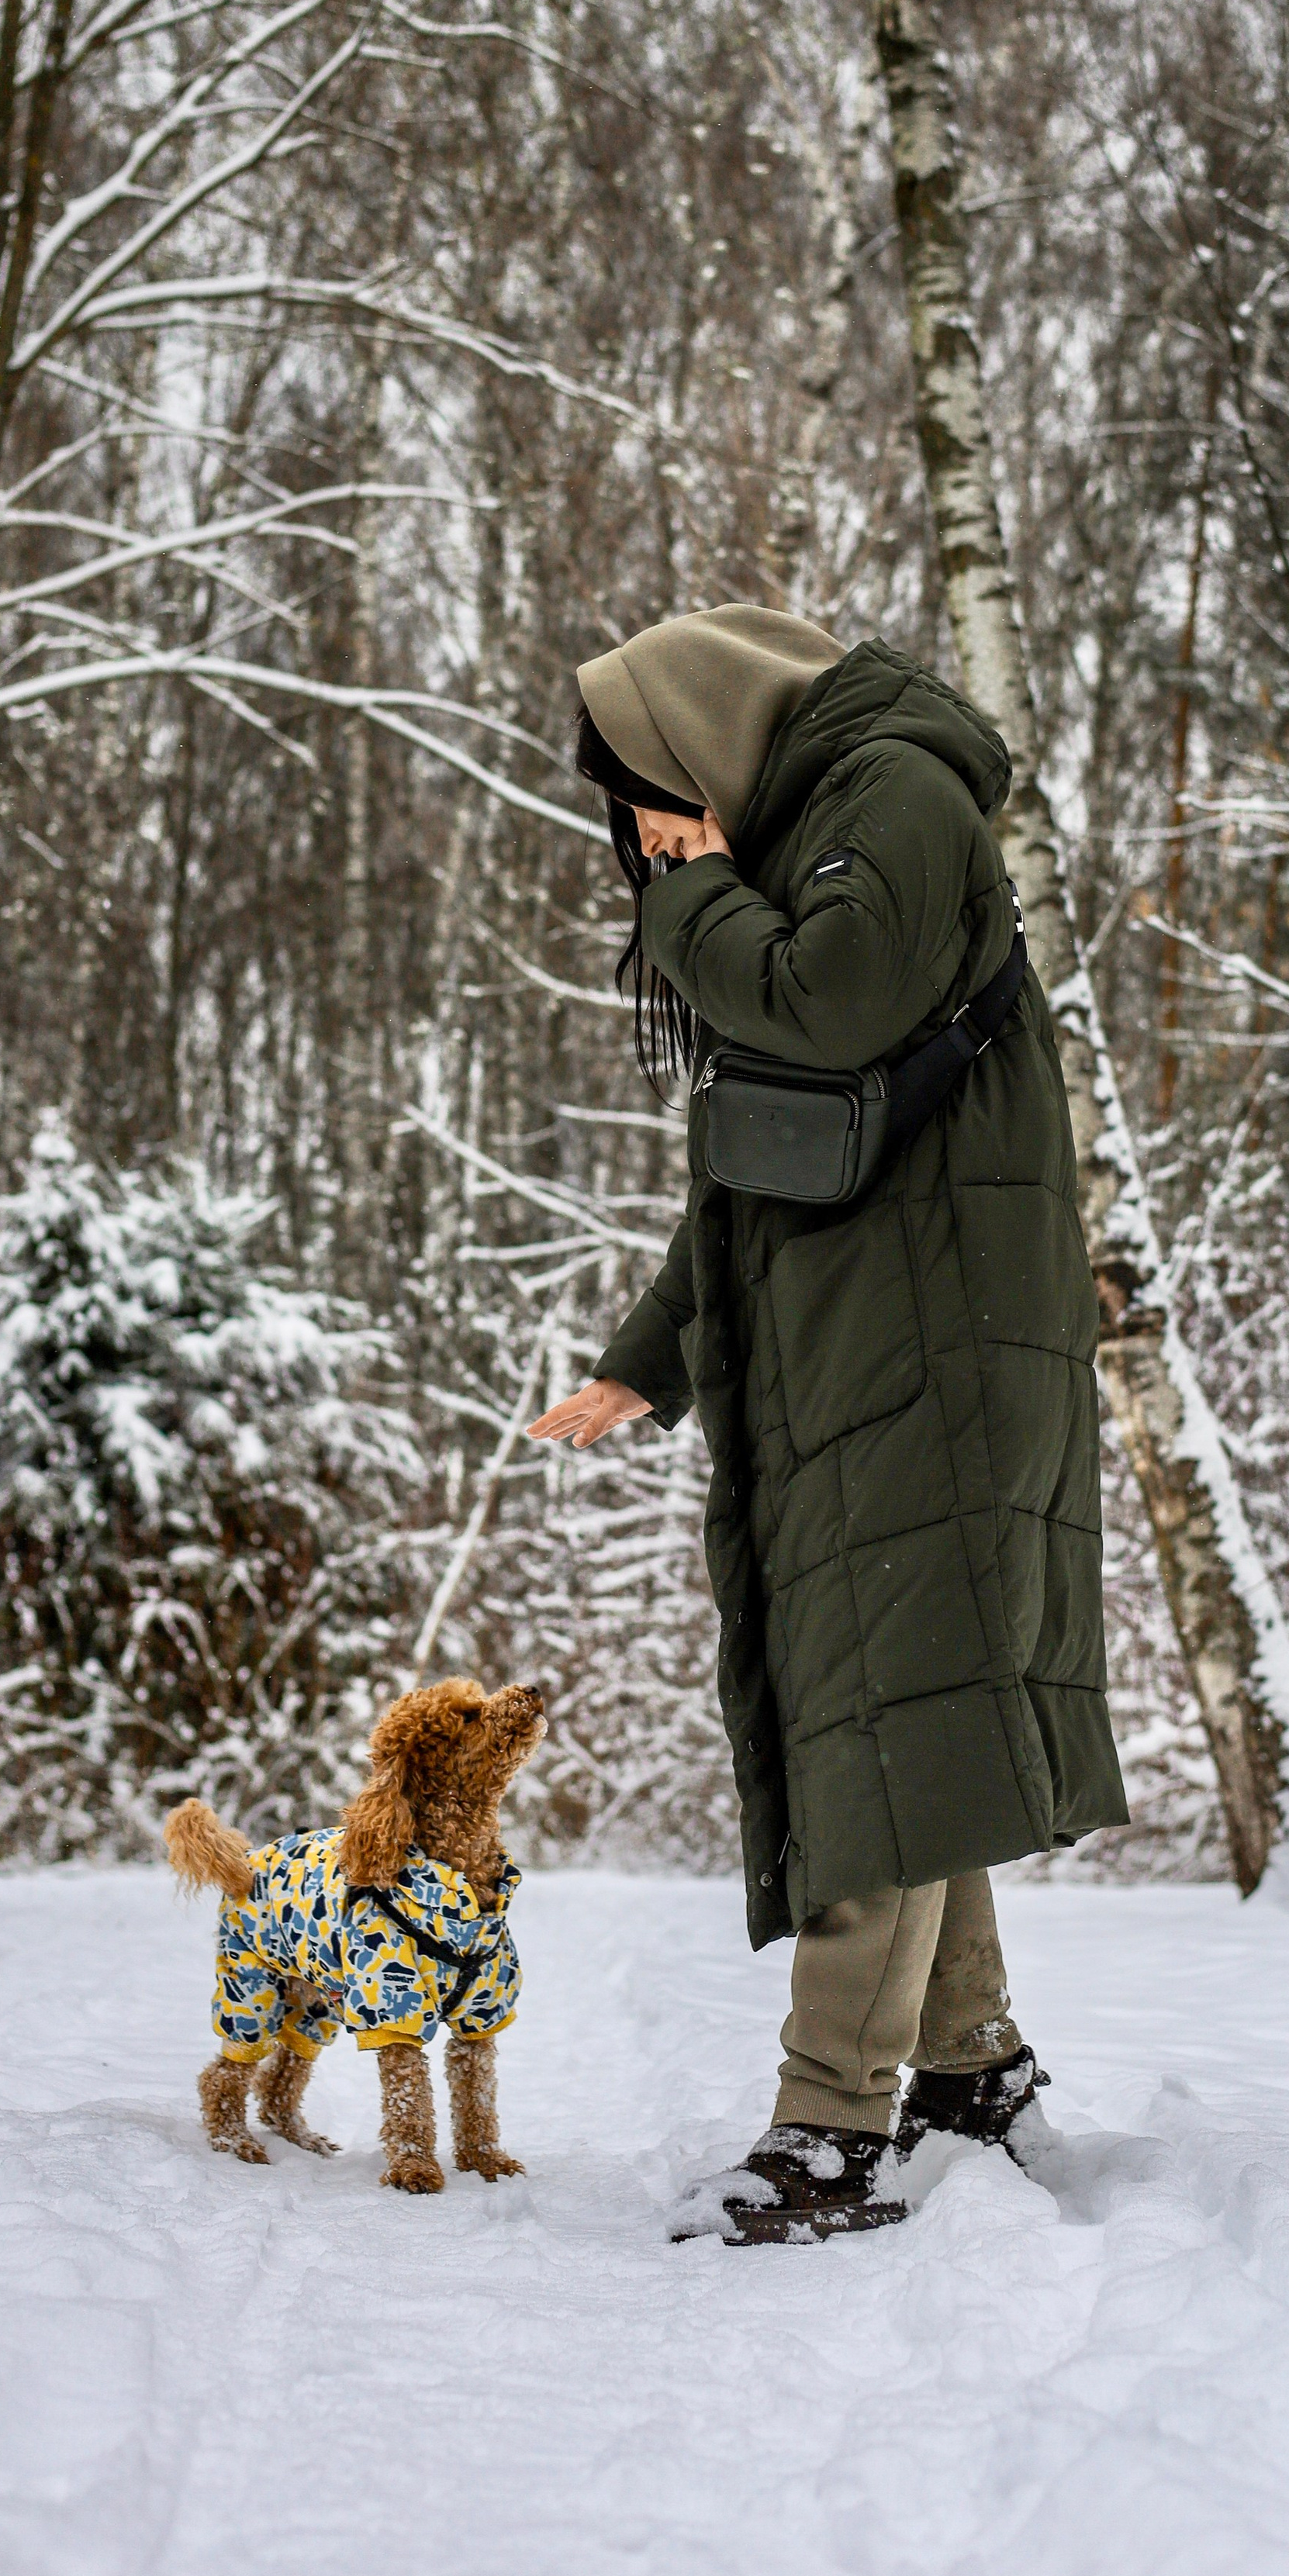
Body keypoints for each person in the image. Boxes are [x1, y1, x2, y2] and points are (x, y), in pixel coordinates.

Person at [527, 606, 1126, 2239]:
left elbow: (829, 1002)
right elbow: (771, 1146)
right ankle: (967, 2068)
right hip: (869, 1347)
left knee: (882, 1723)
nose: (652, 838)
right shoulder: (828, 823)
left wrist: (687, 890)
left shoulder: (896, 800)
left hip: (932, 1351)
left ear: (701, 749)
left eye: (649, 798)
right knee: (905, 1710)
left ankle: (830, 2135)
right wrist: (648, 1359)